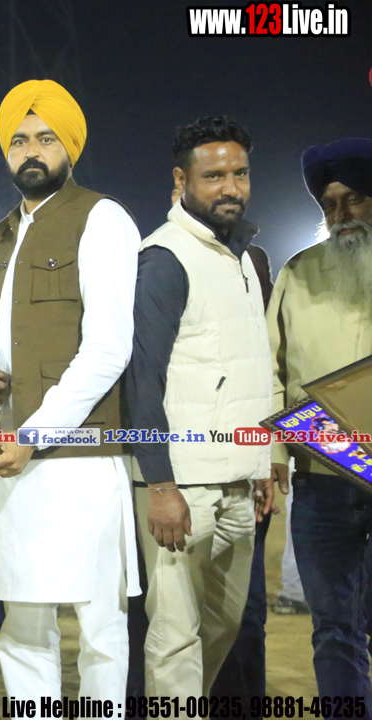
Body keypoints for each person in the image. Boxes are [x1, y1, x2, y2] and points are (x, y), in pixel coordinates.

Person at [0, 79, 141, 703]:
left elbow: (108, 349)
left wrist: (33, 434)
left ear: (69, 146)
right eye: (19, 140)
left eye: (45, 138)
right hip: (12, 461)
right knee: (22, 626)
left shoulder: (102, 218)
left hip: (81, 458)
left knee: (100, 626)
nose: (31, 151)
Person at [128, 115, 273, 703]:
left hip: (240, 484)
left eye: (240, 173)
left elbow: (254, 371)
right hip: (183, 490)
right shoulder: (164, 258)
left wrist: (263, 462)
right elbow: (142, 382)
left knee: (222, 627)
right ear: (181, 180)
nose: (230, 187)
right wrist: (160, 485)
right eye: (214, 176)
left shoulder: (247, 259)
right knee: (174, 640)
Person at [268, 137, 372, 712]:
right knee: (333, 628)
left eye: (354, 198)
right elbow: (272, 368)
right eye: (330, 204)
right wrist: (274, 457)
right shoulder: (298, 273)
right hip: (321, 478)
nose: (341, 214)